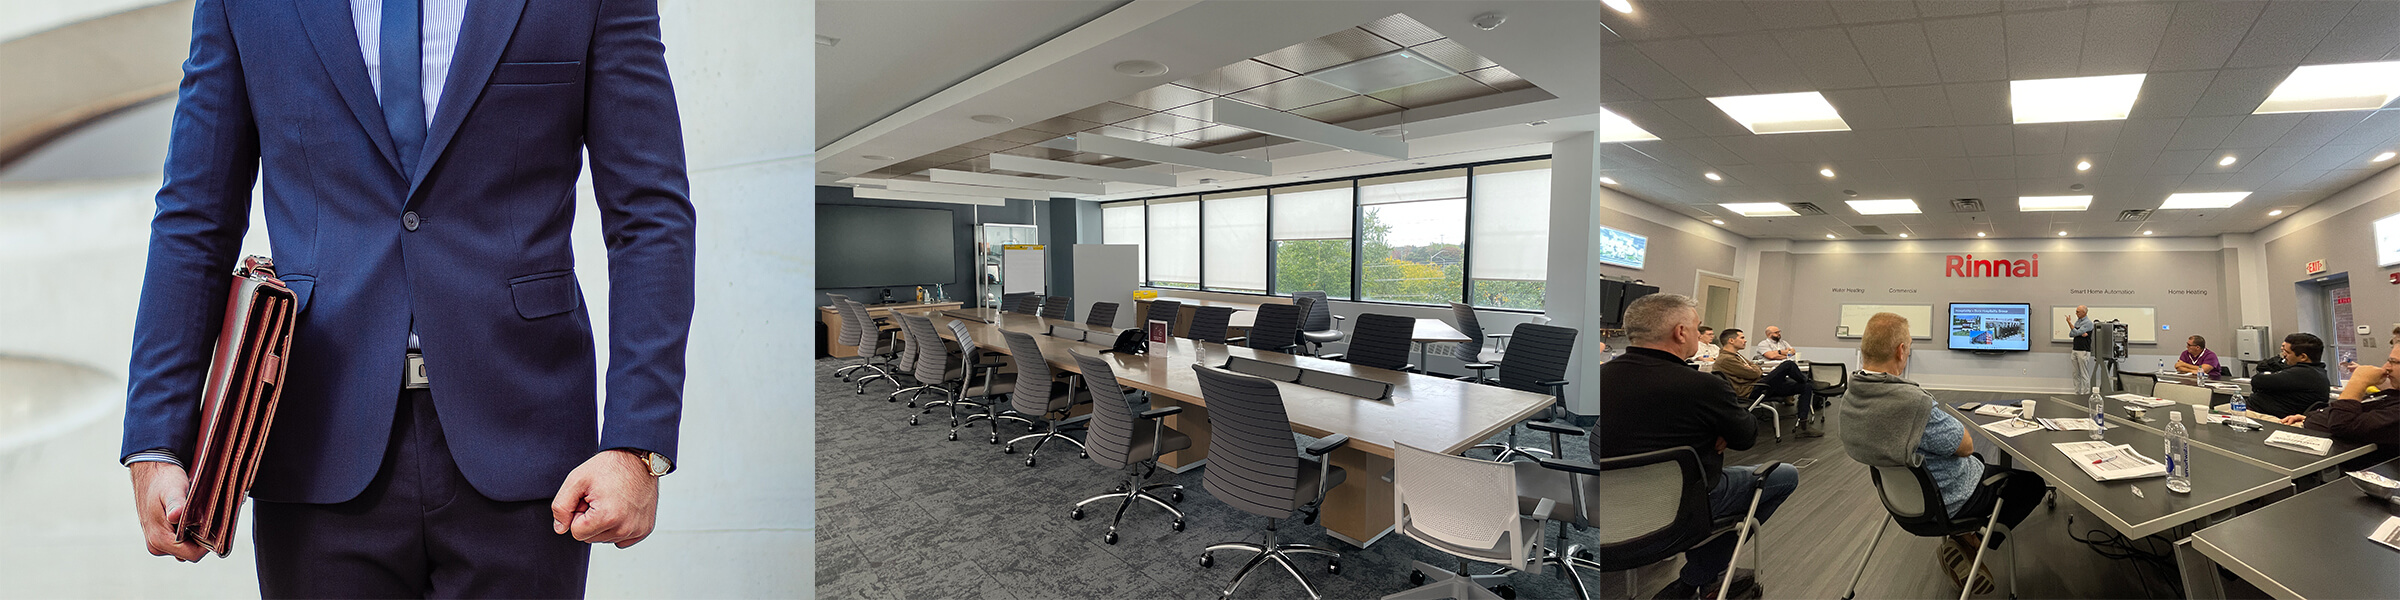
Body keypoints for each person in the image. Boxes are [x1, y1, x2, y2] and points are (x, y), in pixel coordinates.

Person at [121, 1, 696, 597]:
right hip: (317, 444)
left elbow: (650, 214)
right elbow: (195, 218)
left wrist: (637, 443)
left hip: (528, 448)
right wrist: (157, 436)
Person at [1601, 294, 1795, 600]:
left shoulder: (1601, 377)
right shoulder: (1704, 386)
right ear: (1680, 332)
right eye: (1694, 327)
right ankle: (1696, 577)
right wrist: (1718, 431)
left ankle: (1702, 576)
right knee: (1784, 475)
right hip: (1680, 509)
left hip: (1608, 512)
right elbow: (1746, 437)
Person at [1839, 313, 2046, 594]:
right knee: (2032, 484)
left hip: (1897, 501)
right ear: (1901, 350)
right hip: (1946, 500)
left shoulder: (1852, 397)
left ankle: (1965, 536)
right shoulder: (1912, 402)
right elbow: (1965, 445)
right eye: (1909, 346)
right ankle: (1972, 541)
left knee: (1981, 463)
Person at [2280, 341, 2400, 469]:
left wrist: (2359, 381)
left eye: (2394, 361)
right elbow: (2359, 416)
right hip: (2306, 427)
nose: (2386, 367)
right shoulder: (2393, 394)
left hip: (2322, 452)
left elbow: (2342, 424)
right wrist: (2316, 418)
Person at [1716, 328, 1822, 438]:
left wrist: (1753, 368)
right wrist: (1754, 369)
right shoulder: (1726, 359)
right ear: (1731, 341)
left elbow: (1755, 367)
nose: (1745, 340)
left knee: (1805, 387)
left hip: (1758, 385)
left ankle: (1803, 426)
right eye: (1742, 338)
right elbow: (1755, 373)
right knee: (1788, 365)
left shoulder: (1737, 355)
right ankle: (1814, 384)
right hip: (1751, 390)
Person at [2249, 333, 2328, 418]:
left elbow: (2258, 380)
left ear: (2303, 357)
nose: (2283, 355)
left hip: (2267, 417)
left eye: (2287, 352)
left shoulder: (2303, 374)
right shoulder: (2317, 373)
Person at [2066, 306, 2096, 392]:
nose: (2076, 313)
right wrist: (2078, 332)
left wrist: (2069, 323)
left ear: (2084, 313)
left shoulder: (2088, 323)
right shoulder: (2078, 322)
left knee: (2084, 373)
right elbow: (2071, 334)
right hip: (2075, 349)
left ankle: (2086, 393)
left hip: (2083, 350)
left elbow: (2076, 332)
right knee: (2075, 374)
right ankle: (2077, 393)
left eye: (2078, 312)